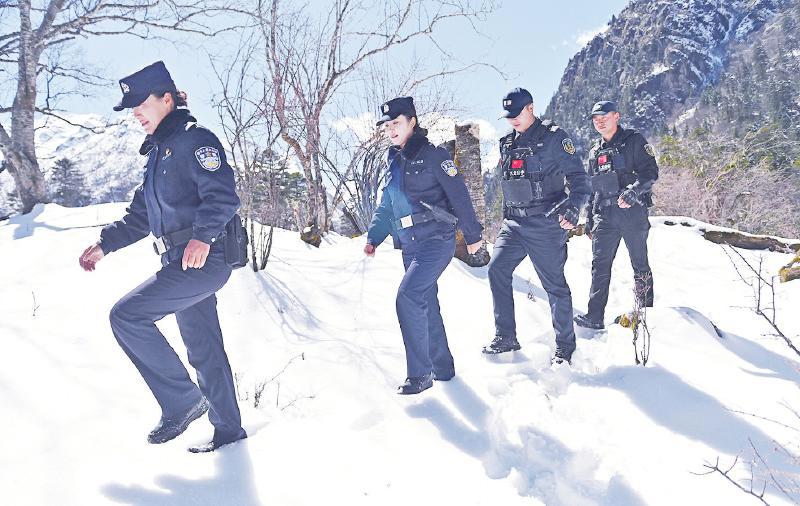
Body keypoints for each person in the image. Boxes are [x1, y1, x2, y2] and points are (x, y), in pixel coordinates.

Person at [78, 61, 246, 453]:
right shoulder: (158, 155)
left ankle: (182, 401)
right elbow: (139, 217)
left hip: (205, 259)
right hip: (181, 262)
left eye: (141, 104)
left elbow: (223, 195)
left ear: (166, 99)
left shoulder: (194, 140)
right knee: (204, 349)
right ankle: (229, 434)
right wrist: (105, 245)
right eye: (131, 108)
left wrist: (203, 236)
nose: (136, 113)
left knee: (127, 315)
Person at [365, 96, 484, 394]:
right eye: (387, 126)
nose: (391, 130)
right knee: (425, 302)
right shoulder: (393, 159)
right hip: (410, 244)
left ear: (412, 122)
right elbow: (387, 202)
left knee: (407, 297)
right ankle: (443, 368)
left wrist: (473, 236)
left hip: (436, 239)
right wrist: (374, 237)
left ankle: (420, 375)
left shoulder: (434, 155)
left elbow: (459, 195)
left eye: (396, 123)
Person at [482, 88, 590, 365]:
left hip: (545, 224)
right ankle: (506, 336)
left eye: (516, 113)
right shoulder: (507, 143)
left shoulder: (554, 138)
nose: (512, 120)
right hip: (513, 224)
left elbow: (580, 180)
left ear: (530, 108)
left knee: (554, 286)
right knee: (496, 270)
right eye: (508, 115)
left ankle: (565, 347)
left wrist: (572, 207)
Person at [574, 101, 659, 330]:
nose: (600, 122)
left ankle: (644, 314)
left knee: (639, 263)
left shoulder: (634, 140)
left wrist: (634, 192)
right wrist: (589, 220)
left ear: (616, 116)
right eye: (596, 119)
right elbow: (593, 189)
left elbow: (651, 173)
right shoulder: (595, 151)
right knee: (599, 265)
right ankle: (594, 317)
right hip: (605, 216)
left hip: (633, 212)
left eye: (604, 117)